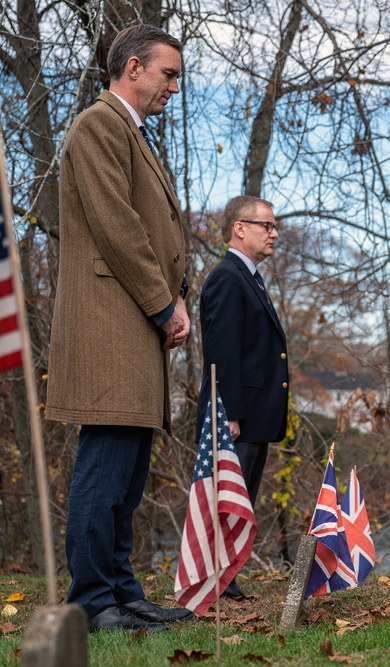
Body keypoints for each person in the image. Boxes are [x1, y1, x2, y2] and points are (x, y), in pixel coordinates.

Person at [46, 24, 194, 633]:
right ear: (132, 68)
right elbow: (118, 226)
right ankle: (92, 601)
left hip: (131, 326)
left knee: (128, 474)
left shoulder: (129, 132)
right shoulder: (99, 125)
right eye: (168, 74)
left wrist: (171, 298)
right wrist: (166, 304)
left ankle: (121, 592)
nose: (174, 88)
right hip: (113, 325)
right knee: (104, 469)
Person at [196, 195, 289, 599]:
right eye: (266, 225)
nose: (275, 233)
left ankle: (226, 574)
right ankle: (215, 577)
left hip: (254, 412)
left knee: (243, 495)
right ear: (240, 228)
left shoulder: (249, 277)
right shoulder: (227, 277)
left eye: (274, 226)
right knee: (228, 496)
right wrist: (228, 411)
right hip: (237, 413)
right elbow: (222, 350)